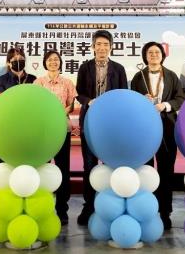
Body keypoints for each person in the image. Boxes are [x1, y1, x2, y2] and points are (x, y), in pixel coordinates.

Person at [130, 41, 185, 230]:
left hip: (167, 127)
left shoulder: (171, 76)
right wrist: (141, 100)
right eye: (150, 52)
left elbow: (180, 98)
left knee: (166, 169)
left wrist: (165, 105)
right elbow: (131, 100)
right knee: (145, 169)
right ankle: (146, 210)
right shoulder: (138, 77)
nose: (153, 55)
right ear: (145, 56)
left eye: (157, 52)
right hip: (144, 129)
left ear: (162, 55)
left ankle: (165, 211)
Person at [75, 30, 128, 226]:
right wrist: (89, 101)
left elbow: (123, 94)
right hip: (89, 122)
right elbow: (79, 93)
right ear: (93, 47)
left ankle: (110, 206)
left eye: (106, 44)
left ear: (111, 47)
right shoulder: (85, 67)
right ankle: (89, 206)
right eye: (98, 44)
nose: (102, 48)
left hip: (111, 125)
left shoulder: (119, 69)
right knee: (89, 166)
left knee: (109, 165)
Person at [34, 50, 76, 225]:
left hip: (61, 128)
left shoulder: (67, 82)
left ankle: (62, 209)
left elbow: (71, 104)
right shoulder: (38, 82)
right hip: (43, 130)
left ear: (60, 63)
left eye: (56, 59)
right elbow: (34, 104)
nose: (53, 62)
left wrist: (59, 112)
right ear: (45, 63)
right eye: (50, 60)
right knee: (42, 167)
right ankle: (42, 207)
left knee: (63, 168)